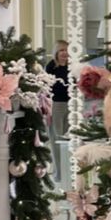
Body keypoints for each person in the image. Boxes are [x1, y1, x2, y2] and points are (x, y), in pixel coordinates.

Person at [45, 41, 69, 176]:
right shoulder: (51, 67)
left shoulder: (71, 67)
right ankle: (59, 172)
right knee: (57, 139)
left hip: (70, 105)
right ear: (56, 53)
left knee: (68, 139)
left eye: (66, 50)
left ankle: (67, 170)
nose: (64, 53)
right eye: (61, 50)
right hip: (56, 105)